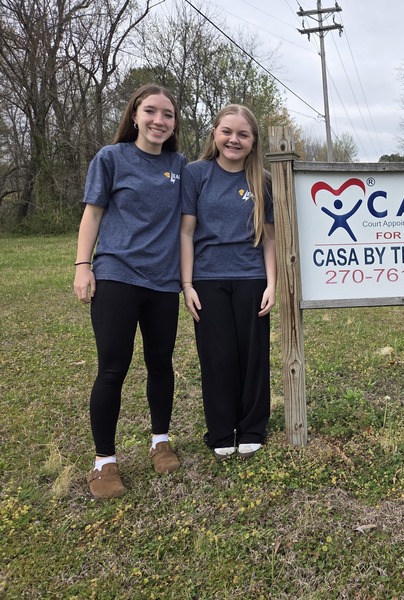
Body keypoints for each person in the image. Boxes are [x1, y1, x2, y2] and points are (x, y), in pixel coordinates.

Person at [74, 84, 186, 499]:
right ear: (135, 115)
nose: (159, 121)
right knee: (112, 368)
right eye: (151, 112)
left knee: (161, 363)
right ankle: (104, 462)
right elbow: (93, 213)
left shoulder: (180, 166)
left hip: (162, 282)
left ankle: (161, 441)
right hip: (117, 275)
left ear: (174, 124)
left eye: (168, 115)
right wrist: (83, 266)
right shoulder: (111, 158)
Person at [179, 104, 277, 460]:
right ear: (215, 134)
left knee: (253, 357)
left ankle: (252, 427)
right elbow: (186, 233)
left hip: (251, 278)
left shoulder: (263, 180)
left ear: (253, 141)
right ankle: (221, 430)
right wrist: (187, 284)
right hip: (207, 279)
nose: (234, 140)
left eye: (243, 134)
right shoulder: (195, 174)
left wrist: (271, 283)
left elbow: (269, 237)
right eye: (227, 132)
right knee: (217, 356)